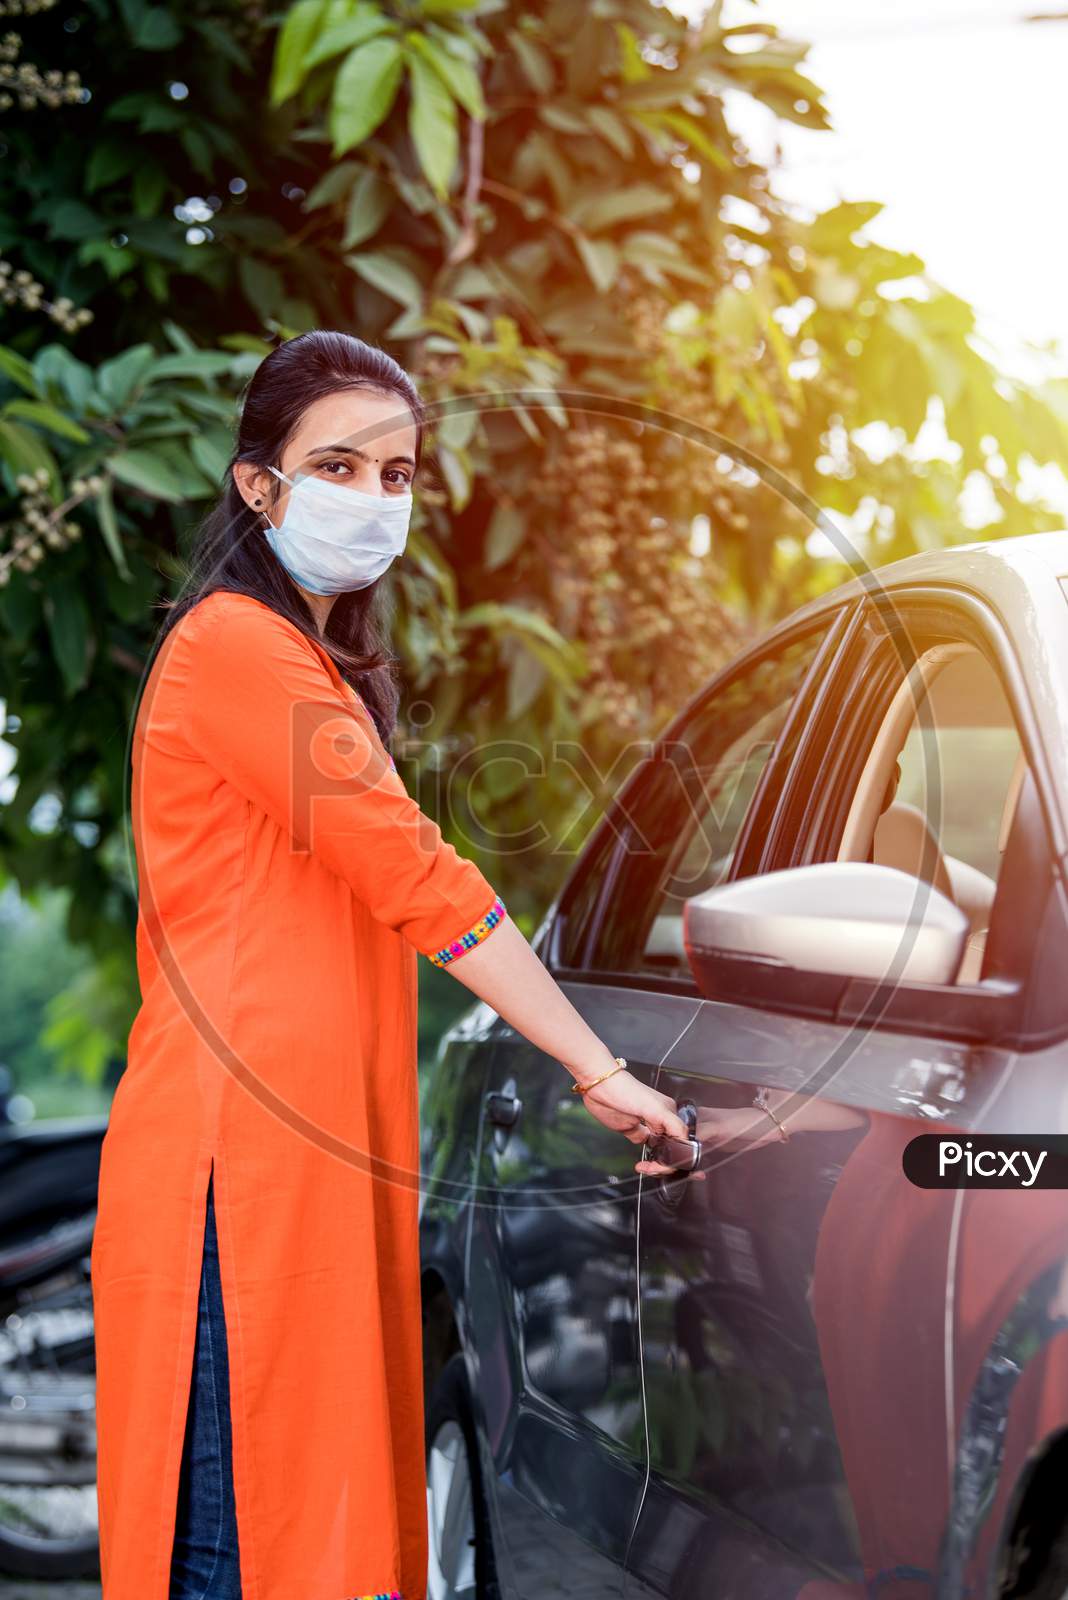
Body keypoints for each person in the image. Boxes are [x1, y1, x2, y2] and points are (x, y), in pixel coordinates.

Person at [89, 329, 688, 1600]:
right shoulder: (237, 649)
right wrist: (594, 1063)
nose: (373, 501)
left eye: (399, 475)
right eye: (339, 467)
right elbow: (419, 875)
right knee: (235, 1554)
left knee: (292, 1538)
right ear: (260, 484)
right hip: (228, 1179)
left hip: (290, 1156)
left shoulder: (302, 661)